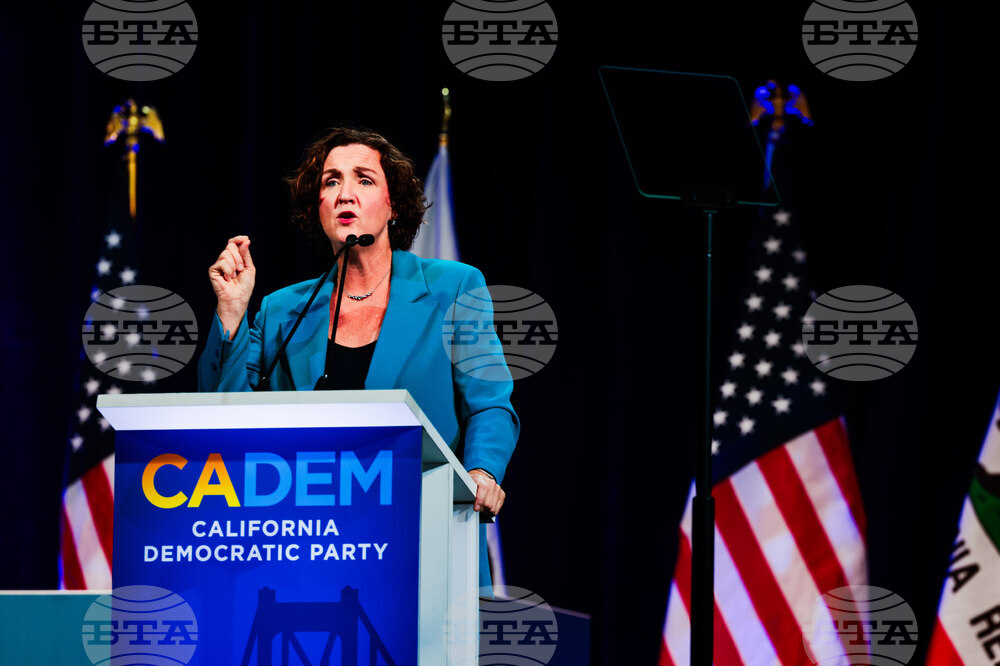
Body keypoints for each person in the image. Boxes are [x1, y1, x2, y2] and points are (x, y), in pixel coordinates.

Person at [197, 127, 519, 592]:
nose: (345, 192)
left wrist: (481, 473)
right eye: (331, 182)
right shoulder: (282, 310)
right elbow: (224, 417)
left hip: (423, 545)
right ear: (319, 208)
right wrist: (232, 312)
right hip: (307, 551)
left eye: (364, 179)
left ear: (394, 205)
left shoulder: (454, 288)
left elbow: (490, 403)